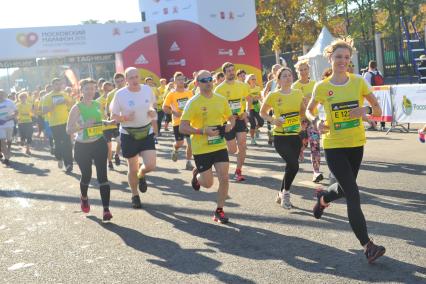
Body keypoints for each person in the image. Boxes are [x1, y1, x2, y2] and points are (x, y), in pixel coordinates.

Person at [306, 39, 386, 263]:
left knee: (342, 188)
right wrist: (316, 122)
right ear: (330, 58)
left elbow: (378, 108)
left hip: (356, 143)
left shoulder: (358, 82)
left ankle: (323, 198)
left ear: (350, 60)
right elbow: (309, 112)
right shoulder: (322, 87)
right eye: (338, 57)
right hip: (333, 144)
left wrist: (366, 109)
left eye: (346, 57)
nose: (342, 61)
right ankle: (368, 245)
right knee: (353, 193)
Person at [180, 70, 235, 223]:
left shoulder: (221, 99)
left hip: (218, 145)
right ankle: (197, 176)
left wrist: (230, 124)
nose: (208, 82)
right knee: (208, 183)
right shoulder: (193, 102)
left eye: (210, 79)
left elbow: (230, 117)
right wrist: (202, 131)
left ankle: (219, 210)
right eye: (204, 80)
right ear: (197, 83)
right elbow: (182, 127)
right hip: (201, 148)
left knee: (224, 177)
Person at [110, 67, 158, 209]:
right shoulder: (120, 94)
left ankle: (142, 174)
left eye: (136, 77)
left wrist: (152, 112)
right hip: (128, 133)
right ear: (126, 80)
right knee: (132, 167)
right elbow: (113, 116)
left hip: (146, 132)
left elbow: (153, 106)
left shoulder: (147, 89)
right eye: (131, 78)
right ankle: (134, 195)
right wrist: (124, 117)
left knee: (150, 165)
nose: (134, 80)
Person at [66, 78, 113, 221]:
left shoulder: (98, 104)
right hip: (82, 146)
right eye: (87, 88)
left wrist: (107, 122)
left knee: (103, 177)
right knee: (86, 175)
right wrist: (83, 126)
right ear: (82, 90)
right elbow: (68, 130)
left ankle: (106, 210)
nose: (91, 91)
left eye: (93, 88)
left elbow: (99, 122)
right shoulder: (77, 107)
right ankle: (84, 197)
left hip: (99, 142)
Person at [260, 67, 305, 209]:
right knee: (294, 165)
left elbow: (302, 113)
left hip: (295, 136)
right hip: (281, 136)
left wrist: (304, 117)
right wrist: (273, 120)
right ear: (278, 80)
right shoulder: (273, 95)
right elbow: (263, 112)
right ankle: (286, 194)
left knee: (290, 166)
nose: (288, 78)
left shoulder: (298, 93)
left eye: (290, 75)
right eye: (284, 76)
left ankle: (281, 193)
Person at [215, 62, 250, 181]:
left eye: (232, 70)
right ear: (224, 73)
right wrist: (227, 117)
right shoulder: (219, 89)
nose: (231, 72)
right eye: (229, 71)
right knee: (232, 150)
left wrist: (246, 112)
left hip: (239, 119)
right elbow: (217, 107)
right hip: (227, 122)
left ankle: (238, 171)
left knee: (243, 144)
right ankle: (219, 154)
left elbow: (248, 99)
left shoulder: (242, 85)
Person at [292, 60, 323, 183]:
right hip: (301, 121)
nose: (303, 72)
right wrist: (301, 104)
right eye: (301, 70)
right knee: (303, 144)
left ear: (308, 70)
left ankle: (316, 172)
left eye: (305, 69)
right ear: (297, 72)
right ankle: (300, 150)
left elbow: (320, 101)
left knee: (315, 145)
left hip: (313, 120)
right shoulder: (294, 86)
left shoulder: (315, 84)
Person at [41, 78, 74, 173]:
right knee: (58, 143)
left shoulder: (64, 94)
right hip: (54, 124)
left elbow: (72, 104)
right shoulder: (47, 97)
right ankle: (59, 158)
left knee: (67, 143)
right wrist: (53, 105)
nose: (59, 86)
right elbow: (43, 111)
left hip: (65, 122)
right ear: (52, 85)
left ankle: (69, 164)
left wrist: (67, 102)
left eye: (60, 84)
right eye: (56, 84)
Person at [162, 72, 194, 169]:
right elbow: (164, 107)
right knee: (179, 143)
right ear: (175, 81)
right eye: (179, 79)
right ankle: (175, 149)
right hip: (178, 122)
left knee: (191, 143)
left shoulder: (189, 92)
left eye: (182, 79)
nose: (181, 81)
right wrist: (174, 112)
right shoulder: (171, 94)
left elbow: (194, 105)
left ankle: (188, 162)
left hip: (189, 121)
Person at [106, 73, 126, 166]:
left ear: (125, 80)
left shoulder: (129, 90)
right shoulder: (111, 94)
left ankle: (117, 154)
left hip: (127, 120)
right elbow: (107, 107)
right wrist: (109, 117)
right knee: (119, 140)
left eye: (121, 81)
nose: (120, 83)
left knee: (121, 141)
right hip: (115, 121)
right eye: (117, 81)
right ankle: (116, 156)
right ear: (114, 82)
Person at [363, 60, 386, 131]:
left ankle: (374, 124)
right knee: (380, 108)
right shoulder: (379, 73)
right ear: (376, 66)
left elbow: (365, 84)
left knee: (371, 108)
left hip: (372, 93)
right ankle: (383, 125)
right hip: (381, 93)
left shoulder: (367, 74)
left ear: (369, 66)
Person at [263, 64, 282, 145]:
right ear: (272, 71)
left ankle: (278, 135)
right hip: (272, 106)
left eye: (278, 69)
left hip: (282, 104)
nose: (276, 70)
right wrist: (266, 101)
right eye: (274, 69)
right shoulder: (270, 83)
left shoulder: (284, 80)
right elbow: (264, 92)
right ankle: (271, 135)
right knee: (270, 120)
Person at [245, 74, 264, 145]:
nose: (254, 80)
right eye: (252, 79)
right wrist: (252, 98)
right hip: (250, 108)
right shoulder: (247, 88)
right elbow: (246, 98)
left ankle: (255, 130)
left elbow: (260, 96)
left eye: (255, 79)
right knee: (252, 123)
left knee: (261, 122)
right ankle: (252, 139)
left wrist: (258, 98)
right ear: (249, 80)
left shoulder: (257, 88)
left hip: (257, 107)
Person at [0, 90, 17, 166]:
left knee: (9, 140)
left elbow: (16, 112)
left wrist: (8, 118)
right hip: (1, 126)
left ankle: (8, 149)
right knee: (2, 141)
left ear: (4, 94)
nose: (0, 95)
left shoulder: (10, 102)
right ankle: (6, 157)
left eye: (1, 94)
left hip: (9, 124)